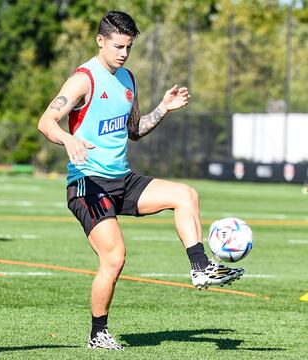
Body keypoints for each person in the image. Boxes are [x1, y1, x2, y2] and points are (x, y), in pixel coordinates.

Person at [38, 10, 244, 351]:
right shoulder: (83, 79)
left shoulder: (128, 80)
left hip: (122, 179)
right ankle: (98, 333)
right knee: (115, 257)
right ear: (100, 41)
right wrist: (68, 139)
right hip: (89, 183)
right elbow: (47, 121)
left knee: (185, 194)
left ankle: (200, 267)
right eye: (118, 45)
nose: (123, 53)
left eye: (129, 47)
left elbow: (134, 131)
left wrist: (162, 108)